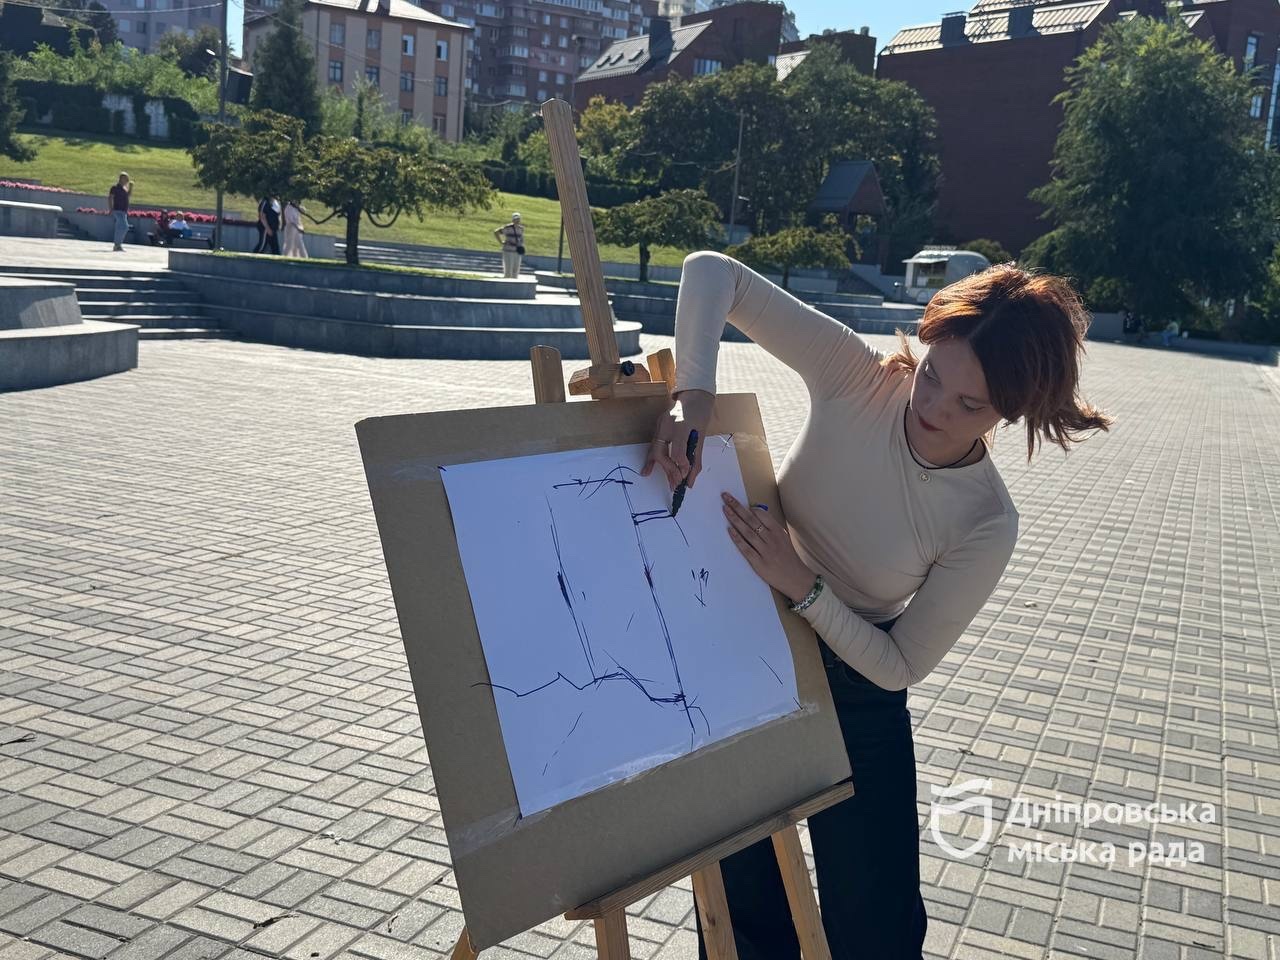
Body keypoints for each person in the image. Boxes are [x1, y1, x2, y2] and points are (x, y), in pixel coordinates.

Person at [643, 250, 1114, 960]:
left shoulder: (986, 521)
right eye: (934, 375)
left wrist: (802, 584)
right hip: (747, 648)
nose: (934, 408)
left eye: (970, 406)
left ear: (1012, 410)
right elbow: (713, 271)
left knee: (877, 931)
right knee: (746, 918)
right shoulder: (856, 376)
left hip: (859, 684)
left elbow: (898, 666)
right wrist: (695, 396)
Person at [494, 212, 524, 278]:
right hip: (508, 251)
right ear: (513, 220)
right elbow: (496, 232)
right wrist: (501, 242)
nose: (517, 221)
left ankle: (514, 283)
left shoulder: (521, 228)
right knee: (508, 271)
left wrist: (521, 246)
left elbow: (521, 239)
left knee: (515, 271)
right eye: (515, 219)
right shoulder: (508, 227)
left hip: (517, 252)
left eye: (518, 219)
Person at [108, 172, 132, 251]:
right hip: (117, 210)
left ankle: (118, 245)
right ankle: (117, 245)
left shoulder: (125, 189)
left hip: (123, 211)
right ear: (121, 179)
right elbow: (110, 198)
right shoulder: (115, 188)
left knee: (122, 227)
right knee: (123, 226)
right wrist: (111, 209)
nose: (127, 181)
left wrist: (131, 188)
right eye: (126, 179)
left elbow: (128, 196)